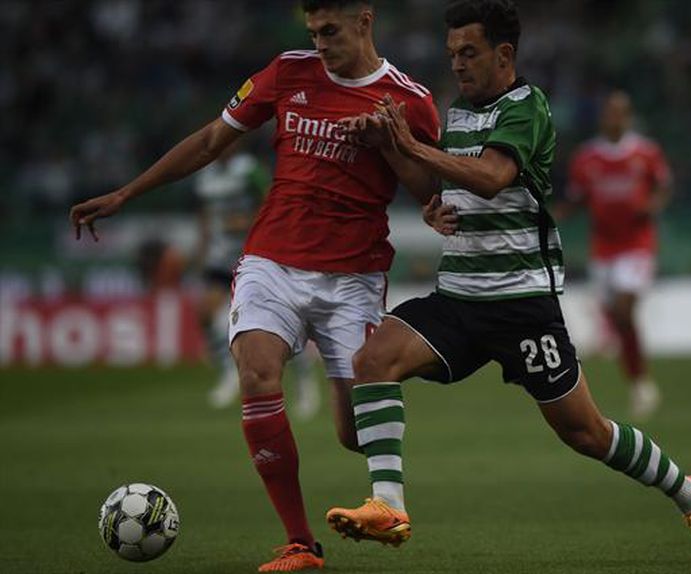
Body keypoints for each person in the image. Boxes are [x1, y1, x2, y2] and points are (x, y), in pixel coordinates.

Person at [325, 0, 691, 563]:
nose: (458, 64)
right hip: (459, 299)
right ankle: (388, 505)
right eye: (452, 54)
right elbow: (440, 186)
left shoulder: (527, 106)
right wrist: (395, 153)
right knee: (373, 361)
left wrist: (414, 145)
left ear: (504, 54)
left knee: (586, 433)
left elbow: (493, 177)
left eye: (469, 52)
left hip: (521, 305)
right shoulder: (458, 114)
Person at [69, 1, 440, 571]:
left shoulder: (409, 100)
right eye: (313, 32)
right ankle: (300, 543)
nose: (320, 44)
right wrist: (127, 193)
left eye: (330, 31)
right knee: (257, 373)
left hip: (354, 276)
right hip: (272, 261)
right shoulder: (287, 72)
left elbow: (428, 191)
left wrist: (389, 141)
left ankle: (382, 485)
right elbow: (210, 140)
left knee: (352, 433)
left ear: (364, 22)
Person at [557, 91, 672, 419]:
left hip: (637, 245)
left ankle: (640, 381)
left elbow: (663, 186)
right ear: (602, 117)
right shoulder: (587, 157)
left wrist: (653, 205)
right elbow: (577, 198)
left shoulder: (646, 153)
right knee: (620, 320)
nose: (615, 119)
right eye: (609, 113)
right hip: (603, 248)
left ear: (628, 117)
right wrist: (555, 216)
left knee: (623, 310)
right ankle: (639, 382)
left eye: (620, 113)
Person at [194, 143, 322, 419]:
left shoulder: (249, 170)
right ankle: (229, 373)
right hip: (221, 256)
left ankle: (304, 381)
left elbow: (272, 203)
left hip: (256, 255)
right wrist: (202, 248)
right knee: (205, 313)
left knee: (283, 324)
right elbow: (205, 216)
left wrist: (245, 222)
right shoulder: (205, 176)